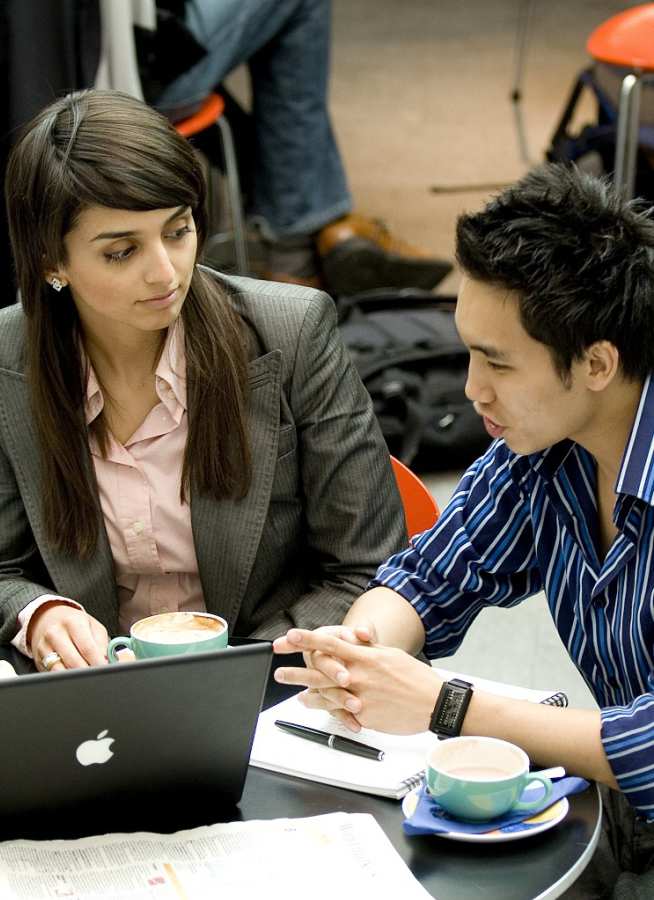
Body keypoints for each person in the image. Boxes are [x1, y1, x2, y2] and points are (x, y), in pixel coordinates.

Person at [273, 164, 654, 898]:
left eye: (497, 363)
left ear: (598, 363)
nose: (473, 387)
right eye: (469, 350)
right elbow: (430, 575)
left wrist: (446, 703)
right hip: (618, 813)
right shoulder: (546, 450)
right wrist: (362, 650)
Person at [0, 88, 407, 675]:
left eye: (178, 230)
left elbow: (367, 568)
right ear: (50, 262)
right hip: (87, 695)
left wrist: (231, 678)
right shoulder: (7, 361)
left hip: (275, 680)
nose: (165, 272)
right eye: (122, 252)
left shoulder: (292, 332)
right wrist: (37, 612)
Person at [144, 0, 451, 294]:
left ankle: (306, 244)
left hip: (131, 60)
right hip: (139, 72)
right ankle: (302, 244)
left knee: (268, 18)